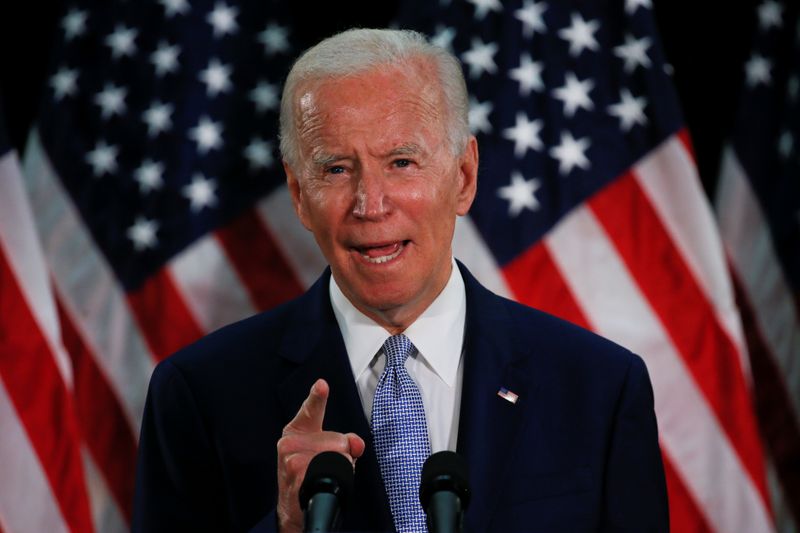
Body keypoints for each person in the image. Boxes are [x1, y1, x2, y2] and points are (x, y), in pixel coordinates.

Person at [132, 28, 669, 533]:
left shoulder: (598, 389)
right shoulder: (199, 395)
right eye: (336, 169)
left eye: (402, 162)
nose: (371, 204)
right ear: (298, 195)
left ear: (463, 177)